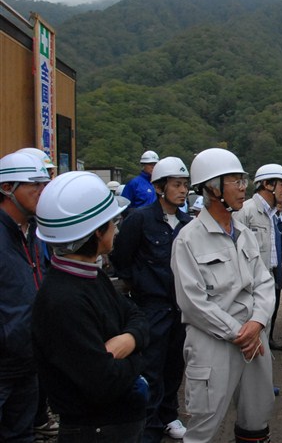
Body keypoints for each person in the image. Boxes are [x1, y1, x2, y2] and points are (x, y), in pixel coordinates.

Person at [33, 171, 149, 442]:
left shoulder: (88, 276)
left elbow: (134, 314)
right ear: (97, 232)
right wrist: (140, 354)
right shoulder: (63, 299)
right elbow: (102, 382)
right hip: (95, 431)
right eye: (112, 223)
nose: (117, 230)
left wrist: (128, 340)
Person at [171, 148, 275, 443]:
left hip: (253, 338)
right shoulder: (188, 240)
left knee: (256, 417)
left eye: (243, 181)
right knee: (204, 424)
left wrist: (257, 323)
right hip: (213, 341)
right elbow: (193, 304)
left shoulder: (244, 233)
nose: (243, 188)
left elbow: (264, 283)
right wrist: (240, 333)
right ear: (212, 188)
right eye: (235, 181)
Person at [109, 157, 191, 442]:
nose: (183, 191)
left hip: (179, 307)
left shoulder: (186, 222)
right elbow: (121, 258)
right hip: (152, 306)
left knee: (174, 365)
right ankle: (150, 425)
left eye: (185, 185)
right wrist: (139, 284)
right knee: (151, 367)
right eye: (176, 185)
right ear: (159, 187)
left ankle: (169, 414)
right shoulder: (140, 219)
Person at [0, 152, 51, 443]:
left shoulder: (32, 231)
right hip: (4, 361)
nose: (43, 193)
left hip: (28, 359)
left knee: (22, 433)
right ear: (8, 188)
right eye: (36, 185)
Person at [233, 163, 282, 352]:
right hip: (249, 285)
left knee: (265, 329)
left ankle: (262, 380)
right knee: (251, 335)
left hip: (268, 279)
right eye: (281, 185)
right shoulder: (245, 211)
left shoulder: (272, 214)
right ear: (267, 184)